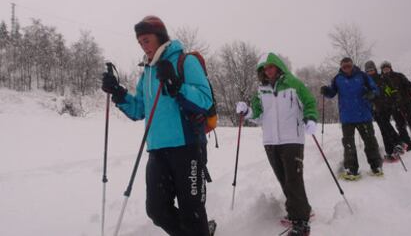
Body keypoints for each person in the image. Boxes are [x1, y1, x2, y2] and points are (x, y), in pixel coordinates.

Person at [101, 16, 214, 236]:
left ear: (160, 37)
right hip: (157, 150)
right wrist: (118, 92)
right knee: (157, 210)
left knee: (192, 211)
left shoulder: (184, 62)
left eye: (146, 40)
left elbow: (205, 100)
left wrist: (176, 85)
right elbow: (139, 110)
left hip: (187, 147)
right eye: (140, 42)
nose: (144, 46)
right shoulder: (147, 74)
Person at [236, 52, 318, 236]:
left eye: (271, 67)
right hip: (271, 141)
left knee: (293, 179)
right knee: (283, 178)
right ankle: (300, 210)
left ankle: (301, 222)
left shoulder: (293, 84)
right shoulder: (261, 91)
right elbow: (258, 115)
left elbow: (309, 102)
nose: (268, 71)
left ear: (278, 66)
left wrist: (310, 118)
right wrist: (247, 111)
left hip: (292, 139)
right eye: (264, 69)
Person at [321, 57, 383, 180]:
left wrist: (372, 94)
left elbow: (375, 89)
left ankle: (376, 166)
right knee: (348, 144)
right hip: (347, 118)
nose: (347, 68)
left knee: (370, 141)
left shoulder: (362, 76)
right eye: (344, 66)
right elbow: (332, 93)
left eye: (348, 65)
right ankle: (351, 169)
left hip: (363, 115)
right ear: (341, 67)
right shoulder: (338, 79)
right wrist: (326, 91)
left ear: (352, 65)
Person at [364, 61, 404, 161]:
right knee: (384, 129)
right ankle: (390, 151)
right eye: (368, 71)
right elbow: (364, 95)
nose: (370, 72)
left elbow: (392, 89)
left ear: (375, 69)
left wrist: (394, 100)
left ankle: (398, 143)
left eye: (372, 70)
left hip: (385, 106)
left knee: (385, 126)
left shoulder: (381, 77)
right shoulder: (365, 81)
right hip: (374, 109)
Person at [380, 61, 411, 151]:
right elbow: (384, 94)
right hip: (394, 107)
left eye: (387, 68)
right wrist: (390, 101)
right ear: (382, 70)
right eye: (384, 69)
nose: (386, 70)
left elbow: (408, 85)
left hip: (406, 103)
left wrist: (405, 96)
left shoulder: (398, 76)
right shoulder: (382, 81)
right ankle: (408, 144)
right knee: (400, 125)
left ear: (390, 68)